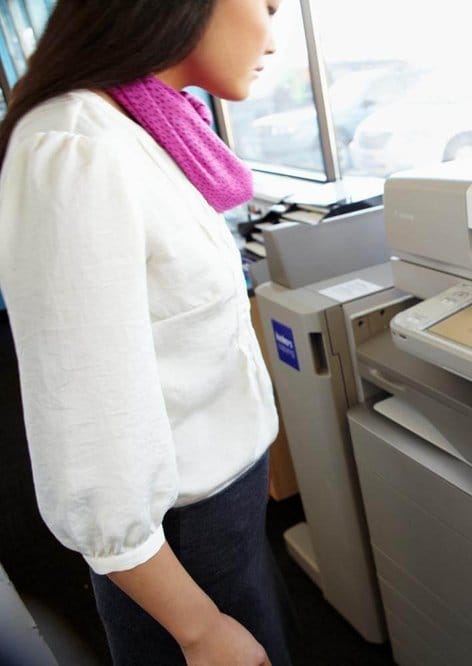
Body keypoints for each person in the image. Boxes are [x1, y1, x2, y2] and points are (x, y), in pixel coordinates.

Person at [0, 2, 291, 664]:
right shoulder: (76, 148)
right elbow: (90, 437)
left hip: (226, 505)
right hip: (177, 545)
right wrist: (199, 629)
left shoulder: (143, 124)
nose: (273, 40)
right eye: (267, 6)